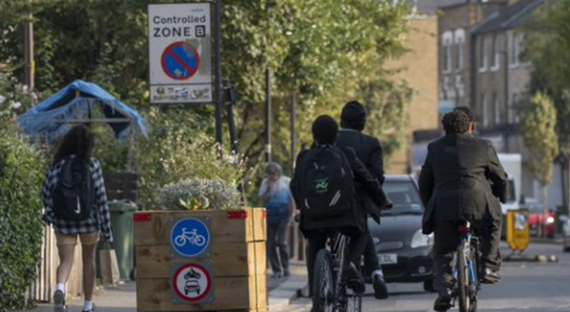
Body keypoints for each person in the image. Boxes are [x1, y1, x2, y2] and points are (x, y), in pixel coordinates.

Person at [419, 110, 508, 312]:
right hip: (478, 203)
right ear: (471, 128)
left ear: (444, 129)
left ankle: (444, 291)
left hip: (444, 206)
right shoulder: (484, 146)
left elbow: (424, 183)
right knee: (494, 223)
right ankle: (488, 265)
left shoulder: (434, 148)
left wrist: (430, 206)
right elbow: (500, 177)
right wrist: (502, 197)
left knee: (441, 251)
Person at [291, 115, 388, 299]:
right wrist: (382, 200)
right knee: (362, 233)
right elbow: (367, 178)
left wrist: (301, 207)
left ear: (314, 136)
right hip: (342, 216)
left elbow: (295, 184)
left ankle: (315, 295)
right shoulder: (346, 153)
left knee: (314, 246)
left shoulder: (304, 156)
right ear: (336, 136)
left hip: (313, 218)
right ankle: (349, 264)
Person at [42, 125, 113, 312]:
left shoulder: (56, 166)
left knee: (65, 261)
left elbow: (46, 194)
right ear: (88, 145)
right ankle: (88, 306)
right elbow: (101, 198)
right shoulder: (93, 165)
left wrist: (50, 216)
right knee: (89, 260)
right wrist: (107, 231)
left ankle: (60, 289)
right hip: (89, 222)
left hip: (64, 222)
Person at [336, 100, 389, 299]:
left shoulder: (331, 139)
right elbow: (376, 176)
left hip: (330, 199)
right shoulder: (371, 143)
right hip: (359, 201)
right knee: (362, 230)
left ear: (341, 121)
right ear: (363, 122)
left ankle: (376, 273)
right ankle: (375, 273)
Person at [259, 162, 294, 278]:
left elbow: (291, 199)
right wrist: (268, 188)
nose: (271, 175)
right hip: (270, 214)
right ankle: (277, 270)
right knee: (271, 243)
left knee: (282, 242)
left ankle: (286, 267)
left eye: (273, 173)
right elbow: (262, 200)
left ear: (278, 173)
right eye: (269, 173)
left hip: (283, 214)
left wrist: (291, 215)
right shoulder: (265, 183)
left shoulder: (286, 182)